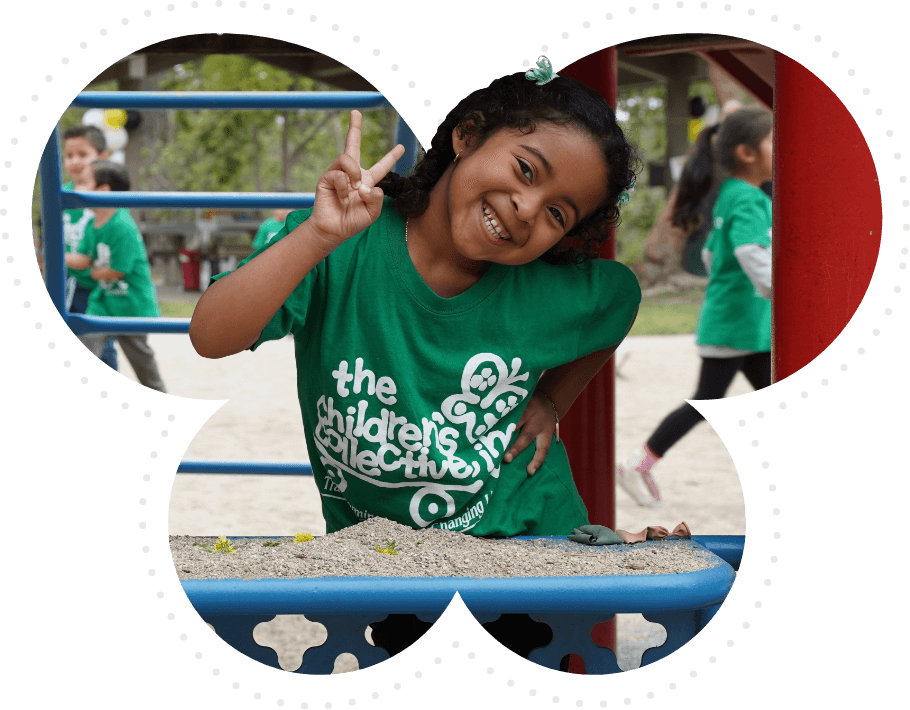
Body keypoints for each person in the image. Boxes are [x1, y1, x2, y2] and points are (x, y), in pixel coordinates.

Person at [189, 57, 641, 669]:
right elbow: (210, 335)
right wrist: (319, 236)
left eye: (559, 213)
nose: (529, 208)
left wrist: (552, 399)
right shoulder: (344, 248)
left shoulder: (548, 293)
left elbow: (619, 302)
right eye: (525, 169)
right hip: (390, 562)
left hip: (528, 547)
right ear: (467, 134)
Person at [617, 105, 773, 508]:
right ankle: (640, 463)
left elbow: (710, 254)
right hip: (736, 325)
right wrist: (778, 290)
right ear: (747, 153)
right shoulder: (751, 199)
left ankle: (641, 462)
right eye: (773, 141)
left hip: (740, 323)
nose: (781, 149)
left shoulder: (731, 194)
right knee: (706, 399)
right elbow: (748, 251)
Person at [65, 160, 167, 393]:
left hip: (132, 305)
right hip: (103, 301)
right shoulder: (92, 224)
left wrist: (93, 272)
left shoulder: (122, 225)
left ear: (102, 191)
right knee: (87, 339)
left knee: (142, 362)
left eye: (83, 183)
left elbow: (119, 269)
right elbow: (82, 257)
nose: (76, 189)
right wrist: (58, 254)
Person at [60, 125, 119, 370]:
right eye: (69, 156)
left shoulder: (107, 195)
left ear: (103, 157)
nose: (75, 162)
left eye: (83, 155)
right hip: (65, 284)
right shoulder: (60, 194)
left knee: (102, 345)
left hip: (97, 287)